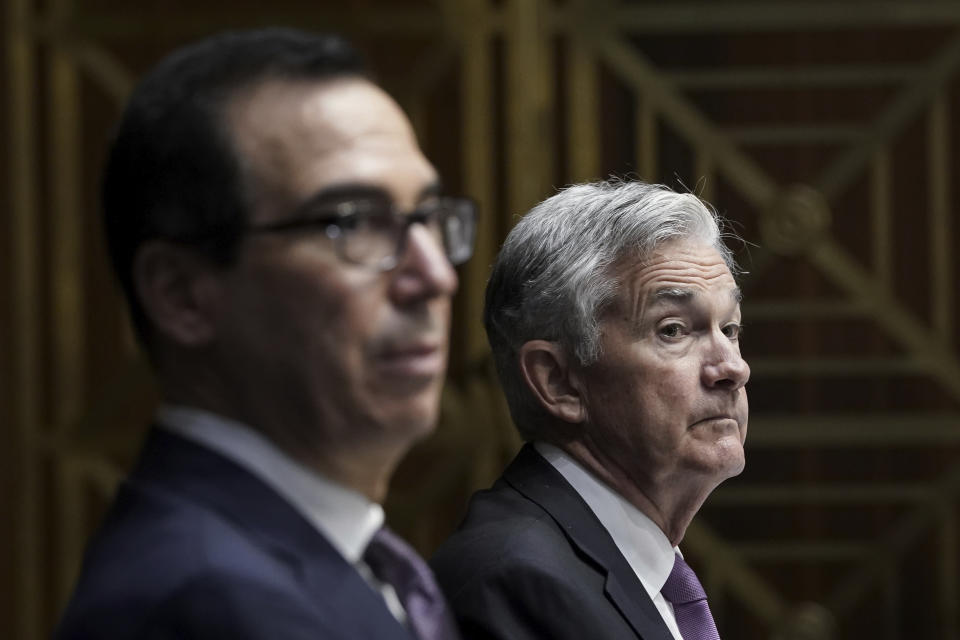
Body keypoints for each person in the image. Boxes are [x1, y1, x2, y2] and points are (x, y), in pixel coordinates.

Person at [57, 28, 474, 640]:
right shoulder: (210, 603)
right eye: (352, 223)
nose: (435, 276)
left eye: (429, 218)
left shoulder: (324, 555)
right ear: (181, 294)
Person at [431, 180, 749, 640]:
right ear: (558, 381)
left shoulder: (638, 567)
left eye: (731, 328)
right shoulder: (513, 582)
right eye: (674, 330)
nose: (732, 367)